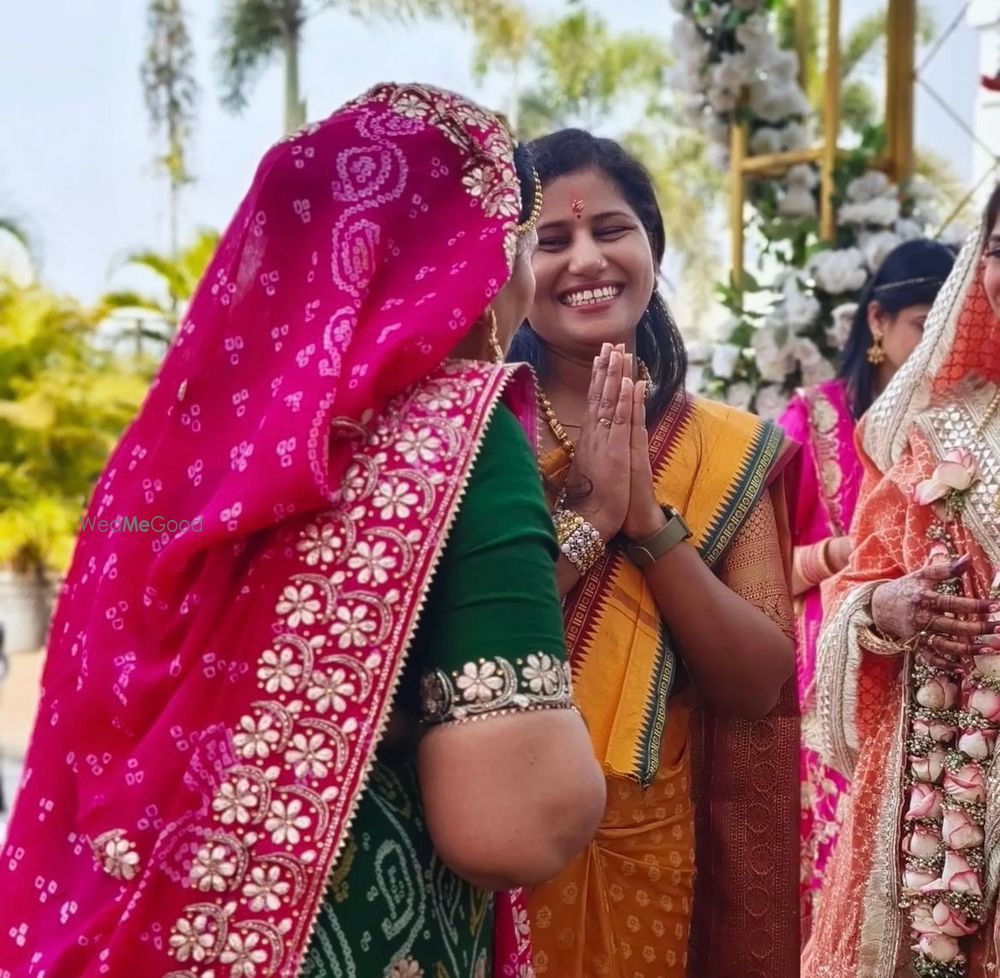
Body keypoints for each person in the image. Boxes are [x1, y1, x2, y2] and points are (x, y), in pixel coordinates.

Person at [0, 83, 606, 978]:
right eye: (520, 244)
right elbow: (513, 823)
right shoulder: (455, 437)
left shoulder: (164, 458)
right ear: (474, 259)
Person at [507, 128, 798, 978]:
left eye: (611, 228)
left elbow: (758, 682)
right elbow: (447, 641)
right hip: (495, 830)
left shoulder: (724, 447)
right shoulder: (485, 436)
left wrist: (650, 525)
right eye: (551, 240)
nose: (585, 258)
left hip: (651, 842)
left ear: (653, 245)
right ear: (514, 271)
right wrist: (591, 515)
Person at [803, 183, 1000, 977]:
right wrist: (884, 606)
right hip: (942, 798)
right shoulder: (939, 428)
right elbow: (859, 583)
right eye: (999, 248)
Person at [778, 239, 956, 936]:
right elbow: (748, 567)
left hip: (936, 680)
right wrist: (845, 555)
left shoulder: (963, 429)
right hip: (827, 684)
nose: (938, 341)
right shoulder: (810, 423)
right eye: (923, 320)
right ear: (877, 322)